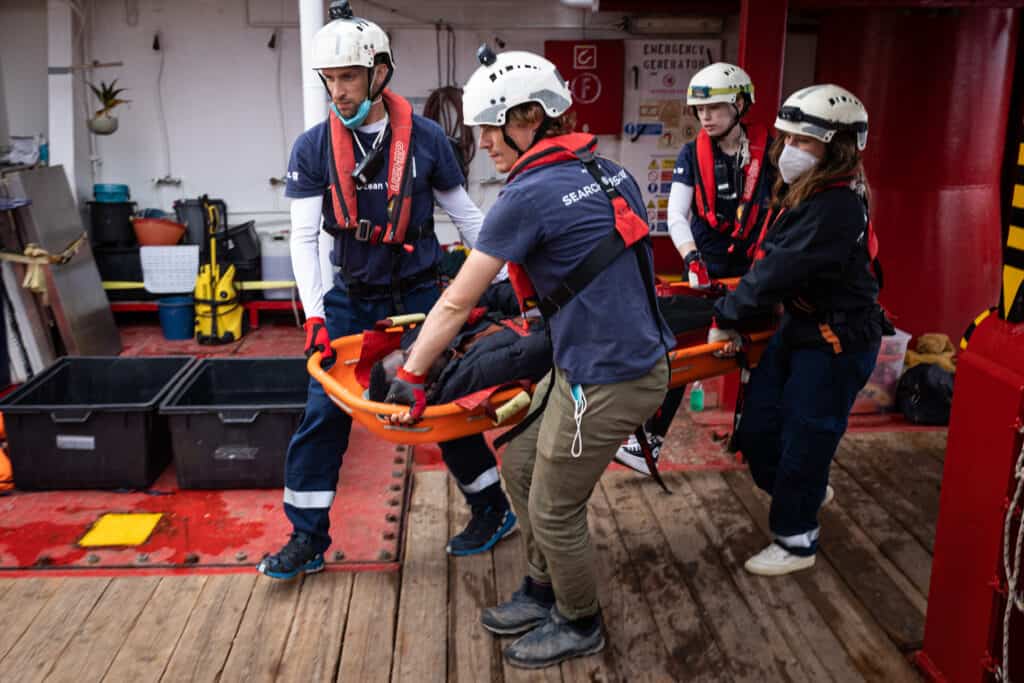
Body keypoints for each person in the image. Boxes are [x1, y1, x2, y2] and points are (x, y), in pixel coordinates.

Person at [385, 46, 674, 669]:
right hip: (600, 362)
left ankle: (579, 620)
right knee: (519, 462)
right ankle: (543, 589)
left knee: (554, 505)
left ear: (528, 119)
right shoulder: (610, 170)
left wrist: (412, 375)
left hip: (607, 378)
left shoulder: (530, 194)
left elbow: (456, 304)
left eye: (491, 127)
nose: (484, 141)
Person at [257, 2, 515, 580]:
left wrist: (510, 280)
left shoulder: (426, 139)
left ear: (379, 73)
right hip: (352, 298)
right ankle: (306, 538)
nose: (338, 91)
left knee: (445, 405)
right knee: (324, 411)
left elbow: (469, 221)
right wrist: (317, 318)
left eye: (348, 77)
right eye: (329, 79)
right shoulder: (312, 147)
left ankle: (493, 508)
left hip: (422, 292)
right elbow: (304, 238)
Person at [708, 84, 886, 576]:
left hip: (836, 339)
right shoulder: (810, 194)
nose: (789, 151)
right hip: (803, 326)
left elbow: (782, 268)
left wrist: (727, 316)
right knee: (761, 429)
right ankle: (806, 487)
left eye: (804, 143)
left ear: (837, 148)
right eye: (787, 140)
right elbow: (772, 260)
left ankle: (796, 538)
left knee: (807, 437)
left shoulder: (836, 207)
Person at [615, 62, 774, 475]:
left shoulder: (771, 155)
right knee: (680, 350)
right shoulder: (690, 153)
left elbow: (787, 212)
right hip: (707, 272)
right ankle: (648, 442)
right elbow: (677, 215)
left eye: (715, 108)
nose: (705, 117)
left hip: (759, 273)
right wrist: (691, 258)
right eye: (699, 110)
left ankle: (758, 442)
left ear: (740, 105)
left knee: (766, 354)